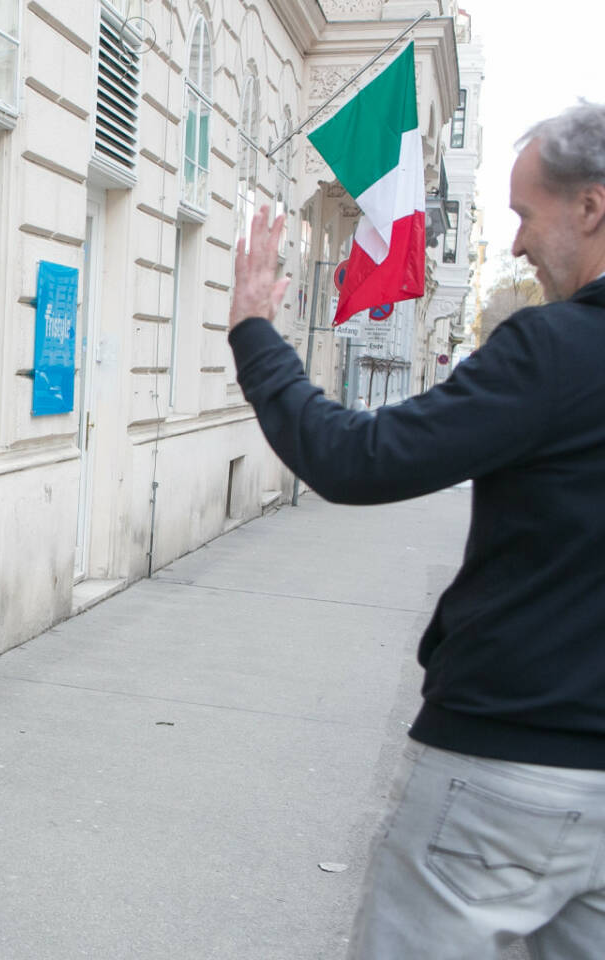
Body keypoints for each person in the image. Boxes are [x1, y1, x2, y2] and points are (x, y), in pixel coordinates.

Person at [229, 102, 605, 960]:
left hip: (512, 773)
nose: (514, 244)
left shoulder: (556, 350)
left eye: (525, 214)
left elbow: (354, 460)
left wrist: (255, 331)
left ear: (591, 208)